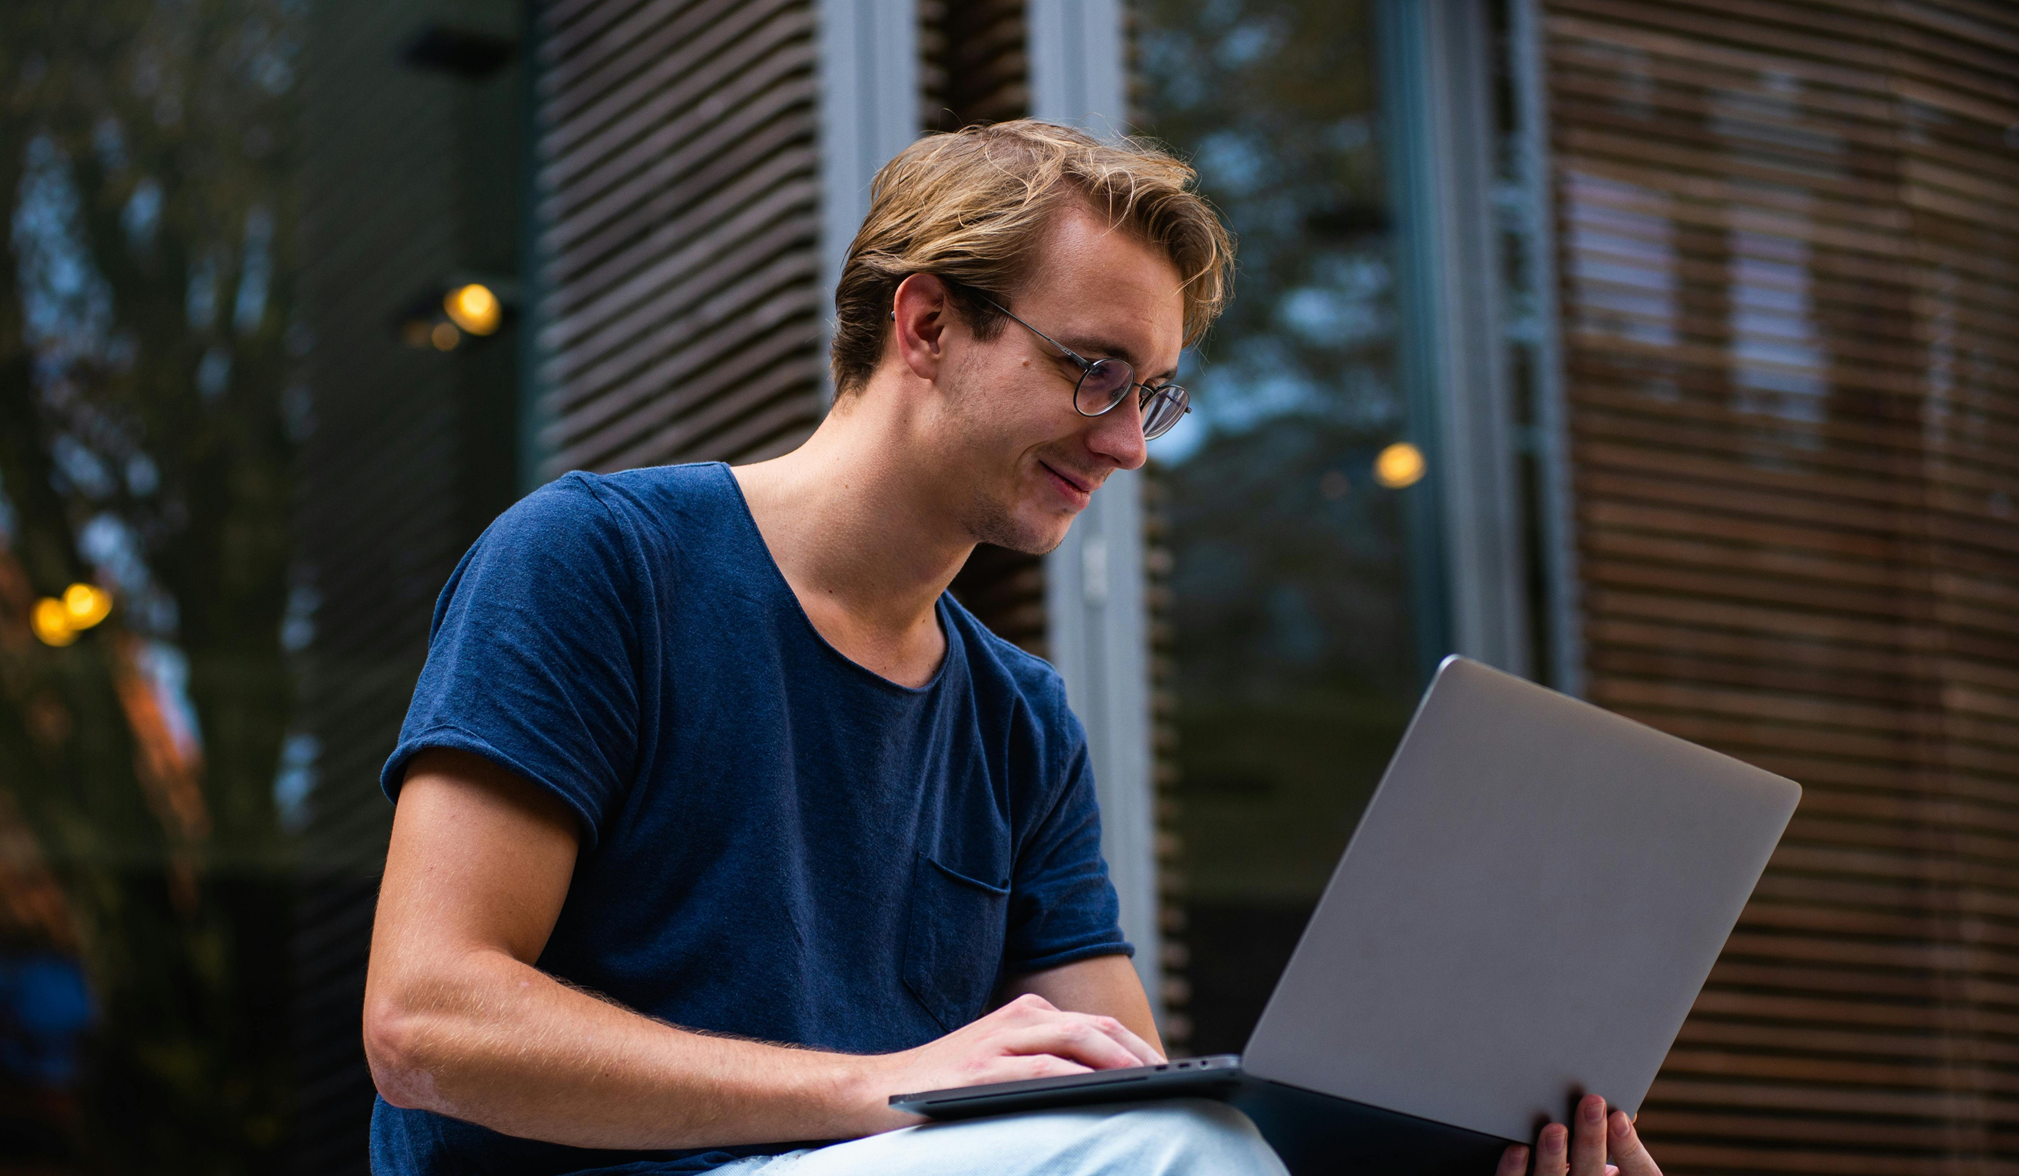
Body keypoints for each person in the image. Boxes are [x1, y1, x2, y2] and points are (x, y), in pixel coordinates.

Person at [362, 120, 1664, 1176]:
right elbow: (426, 1024)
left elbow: (1133, 1090)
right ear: (924, 326)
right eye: (1094, 371)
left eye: (1150, 393)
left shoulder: (1017, 721)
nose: (1128, 443)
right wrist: (882, 1086)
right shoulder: (599, 560)